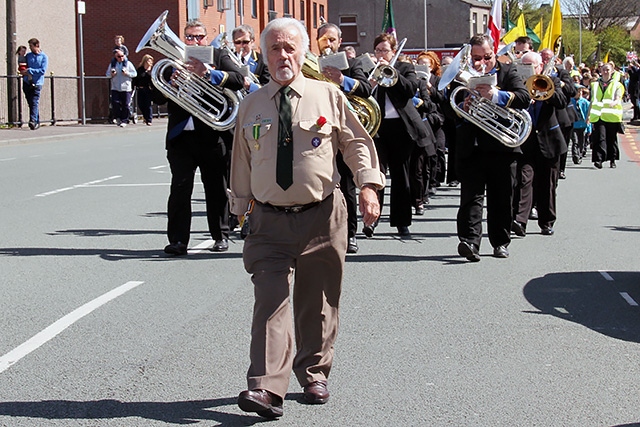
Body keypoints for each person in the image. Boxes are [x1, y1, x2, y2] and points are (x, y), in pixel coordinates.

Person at [229, 17, 384, 419]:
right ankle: (265, 387)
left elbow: (356, 144)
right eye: (275, 48)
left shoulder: (328, 95)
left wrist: (368, 186)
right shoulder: (251, 103)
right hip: (268, 221)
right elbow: (241, 162)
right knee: (270, 302)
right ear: (265, 55)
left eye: (290, 47)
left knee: (318, 302)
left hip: (322, 216)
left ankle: (313, 371)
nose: (283, 55)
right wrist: (239, 208)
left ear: (304, 52)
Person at [154, 19, 245, 256]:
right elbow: (156, 98)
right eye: (190, 37)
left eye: (199, 37)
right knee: (180, 189)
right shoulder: (173, 61)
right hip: (181, 137)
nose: (195, 41)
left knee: (216, 188)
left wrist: (209, 73)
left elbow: (239, 80)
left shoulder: (218, 55)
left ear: (207, 37)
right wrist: (171, 82)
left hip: (213, 135)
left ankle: (221, 236)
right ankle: (178, 241)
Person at [453, 34, 530, 261]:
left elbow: (524, 97)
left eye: (486, 57)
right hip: (472, 146)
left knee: (501, 197)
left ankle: (500, 242)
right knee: (470, 197)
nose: (481, 63)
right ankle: (469, 242)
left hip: (501, 147)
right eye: (476, 58)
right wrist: (461, 105)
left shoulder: (508, 72)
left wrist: (496, 95)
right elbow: (446, 104)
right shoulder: (464, 74)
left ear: (493, 52)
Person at [367, 32, 435, 237]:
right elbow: (364, 91)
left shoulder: (405, 68)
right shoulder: (370, 69)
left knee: (401, 175)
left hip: (402, 128)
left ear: (393, 51)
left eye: (385, 50)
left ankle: (401, 221)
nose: (381, 54)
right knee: (376, 174)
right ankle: (372, 219)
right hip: (377, 127)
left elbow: (410, 89)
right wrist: (373, 76)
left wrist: (391, 74)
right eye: (378, 50)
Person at [316, 21, 373, 253]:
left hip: (344, 130)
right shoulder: (310, 63)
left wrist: (342, 80)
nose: (328, 44)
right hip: (319, 131)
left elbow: (367, 89)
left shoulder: (353, 63)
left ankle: (350, 235)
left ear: (340, 42)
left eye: (332, 40)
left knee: (347, 186)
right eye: (323, 39)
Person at [512, 51, 567, 238]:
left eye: (532, 66)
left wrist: (542, 91)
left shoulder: (553, 81)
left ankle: (547, 221)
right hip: (526, 141)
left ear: (540, 66)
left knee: (547, 184)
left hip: (549, 141)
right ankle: (520, 220)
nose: (529, 69)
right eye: (524, 66)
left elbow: (561, 101)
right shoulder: (517, 85)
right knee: (523, 180)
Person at [588, 62, 625, 169]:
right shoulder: (594, 85)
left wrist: (615, 102)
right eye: (603, 69)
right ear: (600, 71)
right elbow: (592, 101)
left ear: (612, 71)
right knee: (600, 137)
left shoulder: (617, 85)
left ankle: (612, 159)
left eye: (608, 70)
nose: (605, 72)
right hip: (598, 116)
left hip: (612, 116)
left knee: (611, 139)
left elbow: (618, 97)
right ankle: (599, 160)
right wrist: (588, 116)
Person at [20, 38, 48, 130]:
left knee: (34, 101)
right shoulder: (28, 56)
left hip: (37, 83)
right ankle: (36, 121)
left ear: (36, 45)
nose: (30, 48)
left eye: (31, 46)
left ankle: (32, 121)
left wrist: (30, 71)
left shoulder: (43, 57)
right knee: (31, 103)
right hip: (27, 82)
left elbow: (42, 71)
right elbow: (22, 65)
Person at [106, 48, 137, 127]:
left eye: (122, 56)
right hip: (115, 87)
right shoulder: (113, 64)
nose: (121, 58)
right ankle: (118, 117)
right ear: (115, 57)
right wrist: (112, 75)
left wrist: (127, 73)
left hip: (126, 88)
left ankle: (125, 120)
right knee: (115, 103)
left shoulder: (128, 64)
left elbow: (134, 74)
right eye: (119, 56)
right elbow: (107, 74)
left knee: (126, 104)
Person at [132, 54, 154, 126]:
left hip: (148, 89)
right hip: (140, 89)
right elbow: (136, 78)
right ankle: (145, 117)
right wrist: (134, 86)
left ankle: (149, 119)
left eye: (151, 61)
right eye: (148, 61)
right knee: (140, 104)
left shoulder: (151, 71)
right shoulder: (140, 70)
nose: (150, 62)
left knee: (148, 105)